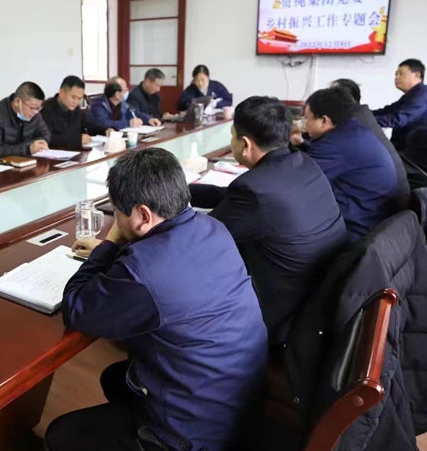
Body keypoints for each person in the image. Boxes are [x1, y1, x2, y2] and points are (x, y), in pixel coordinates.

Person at [45, 148, 267, 451]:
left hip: (191, 434)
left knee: (60, 435)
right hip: (237, 399)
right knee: (115, 378)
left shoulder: (143, 271)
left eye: (117, 213)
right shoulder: (212, 228)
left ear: (144, 215)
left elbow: (76, 307)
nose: (115, 220)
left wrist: (110, 242)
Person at [189, 96, 347, 341]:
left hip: (279, 315)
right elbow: (231, 197)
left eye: (232, 136)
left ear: (245, 144)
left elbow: (198, 239)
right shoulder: (302, 163)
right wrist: (182, 190)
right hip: (316, 298)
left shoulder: (254, 190)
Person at [296, 88, 402, 241]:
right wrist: (300, 143)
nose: (304, 125)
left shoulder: (335, 144)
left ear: (324, 121)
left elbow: (297, 180)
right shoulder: (352, 129)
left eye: (306, 119)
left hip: (357, 229)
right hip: (375, 218)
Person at [329, 78, 410, 207]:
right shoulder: (363, 119)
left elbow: (317, 170)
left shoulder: (351, 127)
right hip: (388, 203)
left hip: (374, 208)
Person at [371, 58, 427, 150]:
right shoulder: (415, 93)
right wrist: (362, 113)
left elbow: (396, 120)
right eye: (396, 74)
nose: (396, 77)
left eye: (401, 73)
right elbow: (388, 110)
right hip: (404, 146)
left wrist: (363, 119)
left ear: (417, 75)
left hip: (413, 151)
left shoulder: (421, 97)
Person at [0, 81, 51, 159]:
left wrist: (39, 144)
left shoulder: (34, 113)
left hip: (26, 160)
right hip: (2, 163)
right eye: (32, 108)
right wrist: (28, 148)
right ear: (17, 102)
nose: (35, 112)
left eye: (38, 108)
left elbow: (45, 134)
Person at [40, 75, 110, 149]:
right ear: (62, 92)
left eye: (79, 99)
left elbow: (87, 124)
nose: (76, 102)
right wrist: (77, 140)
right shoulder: (47, 111)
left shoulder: (76, 109)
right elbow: (48, 139)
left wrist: (105, 130)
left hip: (77, 152)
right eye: (73, 97)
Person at [88, 77, 160, 130]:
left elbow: (135, 113)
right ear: (117, 94)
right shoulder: (99, 104)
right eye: (125, 90)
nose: (127, 91)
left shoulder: (123, 103)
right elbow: (104, 123)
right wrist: (128, 123)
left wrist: (149, 119)